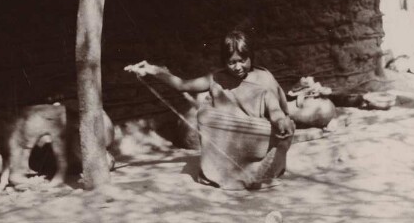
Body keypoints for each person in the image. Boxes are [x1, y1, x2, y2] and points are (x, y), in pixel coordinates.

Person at [125, 30, 296, 189]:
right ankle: (226, 170)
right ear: (224, 61)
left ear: (251, 56)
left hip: (257, 143)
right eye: (231, 62)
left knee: (282, 132)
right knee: (206, 115)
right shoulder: (217, 78)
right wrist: (153, 70)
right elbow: (183, 85)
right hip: (231, 144)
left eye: (242, 60)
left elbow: (275, 110)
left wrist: (280, 121)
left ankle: (259, 169)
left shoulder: (263, 79)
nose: (237, 67)